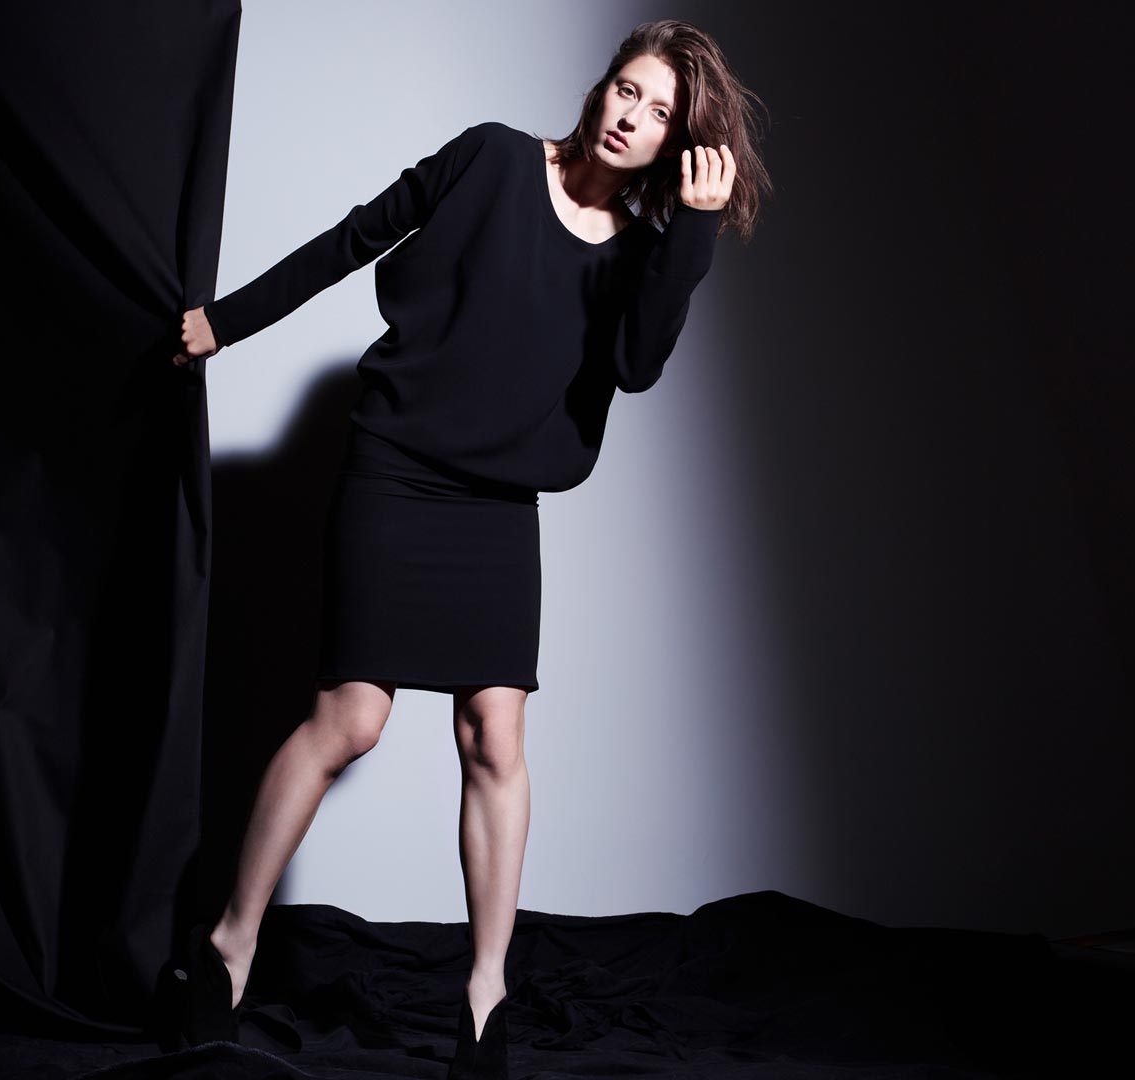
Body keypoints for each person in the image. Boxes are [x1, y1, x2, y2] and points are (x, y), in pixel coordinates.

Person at [163, 19, 769, 1078]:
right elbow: (357, 236)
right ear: (602, 88)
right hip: (395, 471)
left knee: (496, 736)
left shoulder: (642, 254)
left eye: (660, 111)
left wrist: (696, 233)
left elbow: (636, 366)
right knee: (350, 720)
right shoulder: (492, 157)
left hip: (497, 504)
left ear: (678, 142)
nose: (631, 115)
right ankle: (229, 947)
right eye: (627, 90)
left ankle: (486, 996)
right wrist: (227, 321)